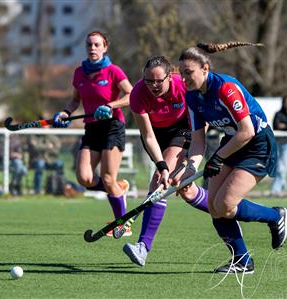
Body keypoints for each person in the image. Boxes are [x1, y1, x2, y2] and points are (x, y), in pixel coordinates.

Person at [177, 41, 287, 274]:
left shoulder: (226, 88)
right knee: (213, 206)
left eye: (189, 73)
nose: (184, 79)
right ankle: (243, 261)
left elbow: (246, 131)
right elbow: (198, 140)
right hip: (232, 142)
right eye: (182, 74)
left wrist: (217, 158)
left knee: (226, 204)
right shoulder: (192, 97)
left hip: (257, 143)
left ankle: (274, 216)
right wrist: (189, 170)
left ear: (205, 69)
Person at [122, 56, 210, 267]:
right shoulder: (137, 94)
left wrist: (191, 157)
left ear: (170, 76)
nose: (153, 85)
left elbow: (201, 124)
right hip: (156, 136)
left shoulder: (184, 86)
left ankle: (143, 246)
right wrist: (161, 164)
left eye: (158, 81)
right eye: (148, 80)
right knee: (185, 190)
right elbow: (148, 136)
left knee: (158, 184)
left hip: (183, 129)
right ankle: (228, 208)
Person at [52, 31, 133, 236]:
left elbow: (132, 95)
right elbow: (75, 100)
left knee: (107, 178)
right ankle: (118, 188)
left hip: (112, 126)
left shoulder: (113, 71)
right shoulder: (79, 72)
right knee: (84, 178)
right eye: (89, 44)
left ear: (105, 47)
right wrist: (65, 113)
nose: (93, 48)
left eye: (97, 45)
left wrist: (111, 105)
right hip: (92, 128)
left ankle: (123, 223)